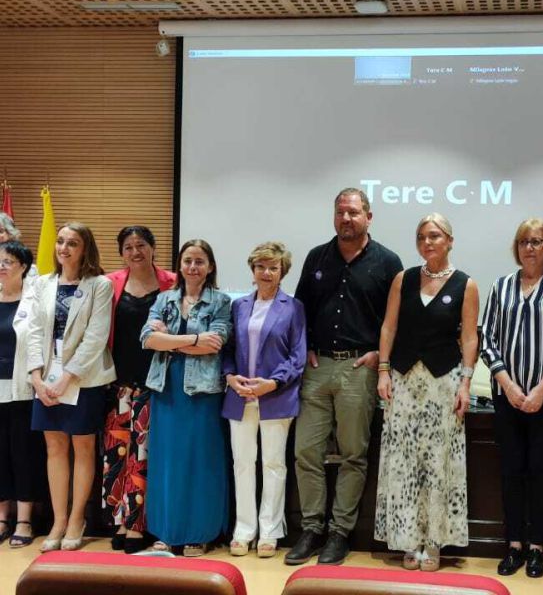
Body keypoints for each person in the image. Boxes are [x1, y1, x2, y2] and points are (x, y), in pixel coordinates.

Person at [287, 187, 402, 566]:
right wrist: (304, 347)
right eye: (340, 212)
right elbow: (299, 310)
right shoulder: (317, 257)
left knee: (354, 454)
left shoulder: (387, 262)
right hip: (317, 369)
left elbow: (398, 319)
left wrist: (380, 356)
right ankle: (311, 529)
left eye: (353, 212)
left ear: (369, 216)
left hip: (359, 369)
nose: (346, 218)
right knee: (306, 451)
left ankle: (339, 533)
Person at [374, 214, 479, 572]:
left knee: (437, 463)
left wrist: (466, 382)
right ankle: (408, 538)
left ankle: (433, 541)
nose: (427, 242)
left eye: (434, 236)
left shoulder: (465, 284)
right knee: (404, 461)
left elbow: (469, 338)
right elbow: (389, 327)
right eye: (421, 237)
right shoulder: (403, 279)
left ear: (449, 240)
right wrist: (383, 370)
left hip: (443, 383)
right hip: (403, 381)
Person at [481, 218, 543, 579]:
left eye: (537, 242)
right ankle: (513, 545)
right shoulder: (501, 286)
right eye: (524, 242)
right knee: (510, 471)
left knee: (538, 470)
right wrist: (508, 384)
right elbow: (488, 339)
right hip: (506, 396)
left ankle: (536, 546)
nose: (529, 248)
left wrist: (540, 390)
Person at [28, 222, 116, 552]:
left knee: (82, 447)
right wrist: (36, 377)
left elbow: (96, 336)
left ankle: (77, 519)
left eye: (73, 243)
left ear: (85, 249)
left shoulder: (99, 285)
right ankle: (59, 520)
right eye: (61, 241)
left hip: (84, 379)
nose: (64, 248)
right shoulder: (42, 283)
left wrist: (67, 377)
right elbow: (34, 332)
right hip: (45, 379)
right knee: (54, 448)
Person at [141, 239, 231, 557]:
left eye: (199, 261)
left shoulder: (221, 301)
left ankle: (200, 533)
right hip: (166, 388)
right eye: (188, 261)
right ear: (179, 265)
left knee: (200, 461)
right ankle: (167, 532)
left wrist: (169, 339)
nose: (193, 267)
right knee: (167, 461)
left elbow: (215, 343)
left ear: (210, 267)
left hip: (202, 391)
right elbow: (147, 339)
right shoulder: (164, 298)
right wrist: (193, 339)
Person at [222, 242, 306, 558]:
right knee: (242, 464)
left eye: (273, 267)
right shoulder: (239, 306)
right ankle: (243, 531)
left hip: (276, 396)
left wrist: (272, 383)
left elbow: (297, 356)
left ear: (282, 271)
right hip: (240, 395)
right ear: (253, 269)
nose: (266, 273)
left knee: (273, 464)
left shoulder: (293, 307)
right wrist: (231, 377)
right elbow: (228, 350)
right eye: (261, 267)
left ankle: (269, 531)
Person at [102, 226, 175, 554]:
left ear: (153, 248)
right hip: (119, 383)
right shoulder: (110, 283)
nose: (136, 252)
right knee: (117, 455)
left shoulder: (172, 282)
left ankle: (138, 523)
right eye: (129, 247)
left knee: (144, 455)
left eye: (141, 245)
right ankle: (119, 520)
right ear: (121, 253)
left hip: (156, 383)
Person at [0, 240, 46, 548]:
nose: (1, 266)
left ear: (24, 267)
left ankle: (25, 519)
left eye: (8, 261)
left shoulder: (33, 299)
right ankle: (2, 516)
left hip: (22, 388)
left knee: (23, 454)